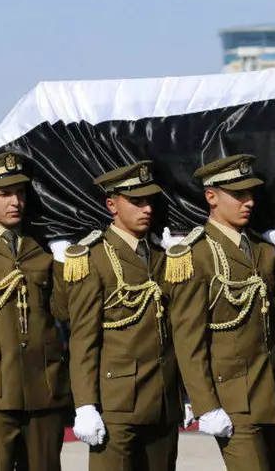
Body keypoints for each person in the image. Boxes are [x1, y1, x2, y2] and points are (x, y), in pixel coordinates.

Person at [166, 154, 275, 470]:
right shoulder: (195, 254)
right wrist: (205, 404)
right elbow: (189, 339)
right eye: (238, 194)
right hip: (232, 399)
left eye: (251, 193)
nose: (249, 202)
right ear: (211, 197)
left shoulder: (263, 250)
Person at [63, 161, 182, 470]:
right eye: (136, 201)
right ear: (112, 204)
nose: (146, 209)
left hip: (164, 402)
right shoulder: (95, 258)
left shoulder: (161, 254)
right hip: (116, 406)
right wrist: (86, 405)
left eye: (149, 201)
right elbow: (83, 339)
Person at [0, 152, 72, 471]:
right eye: (4, 194)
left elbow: (64, 310)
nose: (15, 201)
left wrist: (62, 262)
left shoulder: (40, 247)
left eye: (20, 192)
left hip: (43, 387)